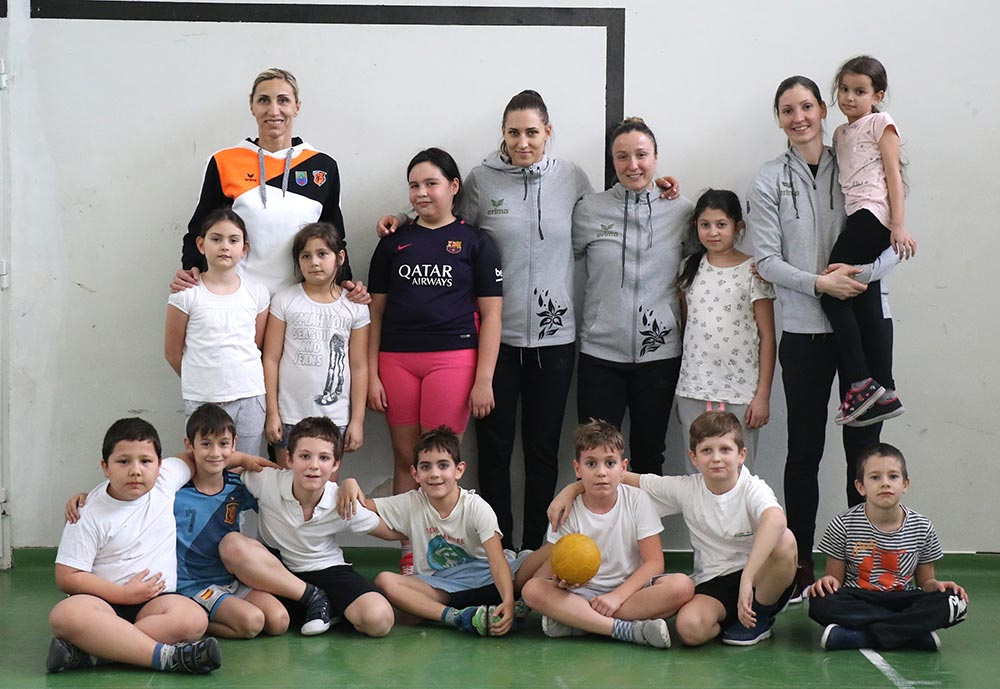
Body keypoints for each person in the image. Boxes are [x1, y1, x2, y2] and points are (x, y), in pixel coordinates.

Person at [747, 75, 900, 600]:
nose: (799, 117)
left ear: (822, 109)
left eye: (807, 106)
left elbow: (890, 235)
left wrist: (857, 277)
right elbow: (766, 260)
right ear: (779, 118)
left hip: (866, 323)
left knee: (865, 454)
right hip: (804, 331)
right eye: (787, 109)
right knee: (804, 450)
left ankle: (864, 568)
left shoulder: (857, 156)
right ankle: (800, 569)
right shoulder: (768, 178)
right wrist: (819, 284)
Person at [549, 412, 796, 646]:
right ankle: (590, 620)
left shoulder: (752, 487)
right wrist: (570, 490)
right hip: (714, 581)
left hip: (758, 576)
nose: (716, 458)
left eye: (725, 449)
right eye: (707, 450)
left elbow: (775, 520)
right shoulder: (686, 489)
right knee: (689, 630)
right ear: (694, 457)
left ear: (741, 455)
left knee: (784, 540)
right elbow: (618, 477)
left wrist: (748, 578)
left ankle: (760, 614)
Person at [367, 148, 503, 573]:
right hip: (397, 361)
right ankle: (410, 555)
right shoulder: (393, 243)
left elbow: (493, 316)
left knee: (440, 463)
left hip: (454, 360)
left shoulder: (477, 242)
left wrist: (484, 380)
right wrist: (371, 375)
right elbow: (374, 314)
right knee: (408, 460)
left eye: (431, 184)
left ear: (453, 187)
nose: (422, 193)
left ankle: (444, 553)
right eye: (414, 185)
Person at [171, 67, 366, 301]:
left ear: (296, 107)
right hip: (236, 298)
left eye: (283, 100)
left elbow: (334, 234)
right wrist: (191, 267)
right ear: (252, 106)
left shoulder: (323, 165)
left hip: (300, 301)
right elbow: (200, 229)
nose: (273, 110)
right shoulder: (224, 161)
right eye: (264, 100)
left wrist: (345, 282)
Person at [46, 418, 222, 674]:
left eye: (145, 461)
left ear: (159, 465)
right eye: (123, 462)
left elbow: (200, 458)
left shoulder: (166, 480)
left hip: (155, 604)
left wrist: (245, 460)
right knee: (65, 615)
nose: (136, 471)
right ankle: (167, 657)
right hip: (103, 603)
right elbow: (67, 576)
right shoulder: (86, 512)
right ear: (105, 467)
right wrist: (124, 595)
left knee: (193, 618)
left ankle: (93, 653)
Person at [337, 427, 549, 636]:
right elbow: (362, 504)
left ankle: (520, 607)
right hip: (444, 587)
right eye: (426, 466)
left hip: (490, 578)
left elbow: (497, 561)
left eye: (443, 465)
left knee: (555, 550)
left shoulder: (476, 506)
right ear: (415, 473)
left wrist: (508, 601)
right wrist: (348, 482)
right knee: (385, 581)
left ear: (459, 470)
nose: (435, 474)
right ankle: (458, 617)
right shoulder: (411, 502)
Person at [573, 117, 695, 475]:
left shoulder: (682, 211)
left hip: (660, 356)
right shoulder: (589, 209)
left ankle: (645, 517)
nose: (633, 165)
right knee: (596, 458)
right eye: (622, 156)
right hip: (600, 354)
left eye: (641, 155)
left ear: (656, 157)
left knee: (649, 456)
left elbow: (707, 261)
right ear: (612, 160)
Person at [521, 420, 694, 649]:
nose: (601, 472)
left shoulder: (637, 500)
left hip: (630, 592)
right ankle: (626, 630)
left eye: (610, 463)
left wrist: (616, 597)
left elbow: (654, 563)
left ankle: (581, 622)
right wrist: (564, 582)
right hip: (582, 593)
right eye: (591, 464)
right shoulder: (567, 509)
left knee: (682, 586)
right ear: (577, 469)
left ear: (623, 467)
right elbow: (556, 566)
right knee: (532, 590)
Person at [239, 417, 399, 637]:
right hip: (278, 573)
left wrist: (433, 526)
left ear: (335, 464)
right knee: (235, 547)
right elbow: (215, 463)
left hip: (326, 570)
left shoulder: (341, 499)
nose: (313, 465)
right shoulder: (266, 481)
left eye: (324, 458)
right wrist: (243, 458)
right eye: (305, 456)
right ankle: (316, 604)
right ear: (289, 458)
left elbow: (389, 531)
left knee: (379, 619)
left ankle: (327, 607)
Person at [822, 56, 914, 425]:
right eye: (844, 89)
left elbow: (893, 175)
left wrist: (898, 225)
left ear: (877, 95)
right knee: (864, 293)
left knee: (831, 288)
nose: (849, 97)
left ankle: (861, 382)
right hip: (856, 216)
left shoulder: (881, 123)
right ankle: (886, 392)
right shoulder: (839, 134)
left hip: (872, 215)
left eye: (859, 91)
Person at [808, 444, 968, 650]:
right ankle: (910, 634)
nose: (885, 483)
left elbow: (925, 581)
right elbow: (835, 580)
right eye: (875, 477)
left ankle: (858, 637)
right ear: (860, 486)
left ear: (905, 484)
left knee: (955, 602)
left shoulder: (922, 526)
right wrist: (827, 582)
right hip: (859, 598)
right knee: (820, 600)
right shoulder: (843, 524)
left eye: (893, 476)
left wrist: (937, 586)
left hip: (902, 599)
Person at [675, 190, 776, 468]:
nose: (713, 232)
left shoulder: (753, 271)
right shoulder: (689, 269)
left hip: (741, 390)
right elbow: (686, 329)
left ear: (737, 227)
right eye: (705, 225)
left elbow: (767, 337)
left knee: (739, 473)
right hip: (693, 389)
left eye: (721, 224)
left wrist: (763, 395)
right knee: (697, 472)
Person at [263, 222, 369, 466]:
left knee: (325, 486)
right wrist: (272, 413)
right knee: (287, 484)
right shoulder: (285, 300)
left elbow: (359, 366)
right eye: (306, 256)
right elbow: (271, 358)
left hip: (334, 418)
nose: (314, 262)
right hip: (289, 416)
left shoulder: (355, 307)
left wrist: (357, 421)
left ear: (340, 257)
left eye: (322, 254)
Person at [165, 209, 270, 455]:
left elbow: (256, 344)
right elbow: (172, 352)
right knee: (206, 466)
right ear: (201, 245)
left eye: (233, 240)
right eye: (216, 239)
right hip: (203, 399)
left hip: (250, 396)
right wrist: (202, 378)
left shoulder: (257, 292)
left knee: (244, 465)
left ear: (244, 248)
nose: (225, 246)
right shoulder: (186, 294)